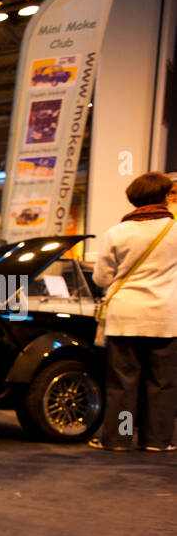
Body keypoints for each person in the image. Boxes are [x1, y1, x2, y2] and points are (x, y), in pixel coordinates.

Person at [90, 171, 177, 452]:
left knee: (123, 383)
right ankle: (157, 441)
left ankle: (120, 438)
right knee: (162, 382)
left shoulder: (117, 233)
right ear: (163, 197)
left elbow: (102, 279)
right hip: (165, 316)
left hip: (124, 316)